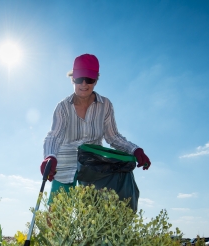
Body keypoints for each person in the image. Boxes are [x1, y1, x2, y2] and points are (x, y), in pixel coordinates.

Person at [41, 54, 151, 203]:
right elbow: (54, 136)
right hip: (65, 167)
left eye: (90, 79)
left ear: (96, 80)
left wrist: (135, 150)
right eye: (79, 79)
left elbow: (113, 137)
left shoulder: (105, 105)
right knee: (54, 219)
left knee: (91, 220)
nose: (84, 84)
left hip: (93, 169)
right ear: (73, 78)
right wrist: (50, 156)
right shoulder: (63, 107)